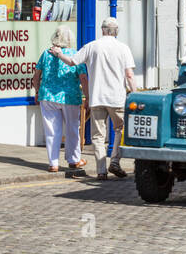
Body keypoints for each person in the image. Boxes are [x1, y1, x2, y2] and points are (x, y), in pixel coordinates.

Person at [49, 17, 136, 180]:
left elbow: (72, 61)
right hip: (117, 97)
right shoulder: (123, 48)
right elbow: (129, 75)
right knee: (120, 130)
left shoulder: (92, 46)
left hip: (97, 97)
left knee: (97, 136)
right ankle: (115, 160)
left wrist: (59, 53)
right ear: (116, 31)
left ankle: (101, 171)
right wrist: (136, 93)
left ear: (102, 30)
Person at [35, 26, 87, 173]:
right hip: (69, 96)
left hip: (48, 96)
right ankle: (74, 160)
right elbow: (83, 77)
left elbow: (37, 75)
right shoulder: (75, 55)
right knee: (72, 128)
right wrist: (88, 96)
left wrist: (37, 90)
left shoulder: (46, 54)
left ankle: (53, 163)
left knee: (51, 131)